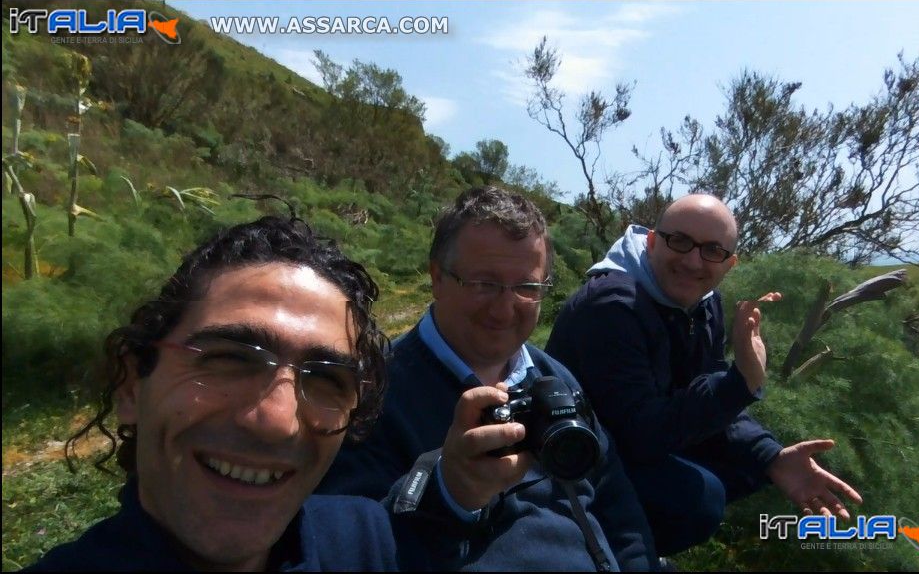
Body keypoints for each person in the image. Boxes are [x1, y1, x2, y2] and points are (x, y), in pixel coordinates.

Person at [27, 215, 399, 571]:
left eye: (327, 379)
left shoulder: (361, 539)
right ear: (130, 387)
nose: (277, 422)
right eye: (230, 360)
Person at [318, 186, 656, 571]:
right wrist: (447, 493)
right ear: (437, 277)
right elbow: (345, 546)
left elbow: (616, 504)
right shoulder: (372, 391)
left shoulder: (554, 378)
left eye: (527, 287)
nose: (504, 308)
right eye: (484, 283)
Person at [546, 194, 862, 556]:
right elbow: (641, 434)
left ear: (729, 263)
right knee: (699, 498)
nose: (693, 261)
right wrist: (742, 381)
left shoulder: (703, 302)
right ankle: (594, 551)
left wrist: (771, 455)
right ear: (651, 241)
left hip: (633, 439)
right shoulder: (612, 306)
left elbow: (702, 390)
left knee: (750, 466)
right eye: (679, 241)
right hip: (576, 459)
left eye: (712, 250)